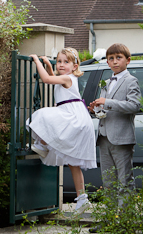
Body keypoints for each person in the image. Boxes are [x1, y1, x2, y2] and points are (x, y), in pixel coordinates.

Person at [27, 48, 97, 213]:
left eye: (66, 62)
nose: (61, 64)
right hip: (73, 115)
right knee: (74, 163)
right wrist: (48, 65)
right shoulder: (64, 77)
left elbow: (46, 79)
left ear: (75, 66)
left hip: (72, 116)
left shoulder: (68, 78)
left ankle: (43, 144)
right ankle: (82, 198)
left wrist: (37, 61)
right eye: (59, 61)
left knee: (41, 116)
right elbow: (52, 77)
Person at [87, 42, 141, 206]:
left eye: (119, 57)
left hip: (121, 138)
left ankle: (123, 221)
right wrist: (95, 111)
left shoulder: (131, 81)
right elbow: (104, 112)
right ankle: (110, 220)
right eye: (111, 58)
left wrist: (108, 102)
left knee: (124, 180)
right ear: (108, 62)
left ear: (128, 60)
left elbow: (134, 106)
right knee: (108, 181)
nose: (115, 61)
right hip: (104, 138)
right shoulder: (106, 82)